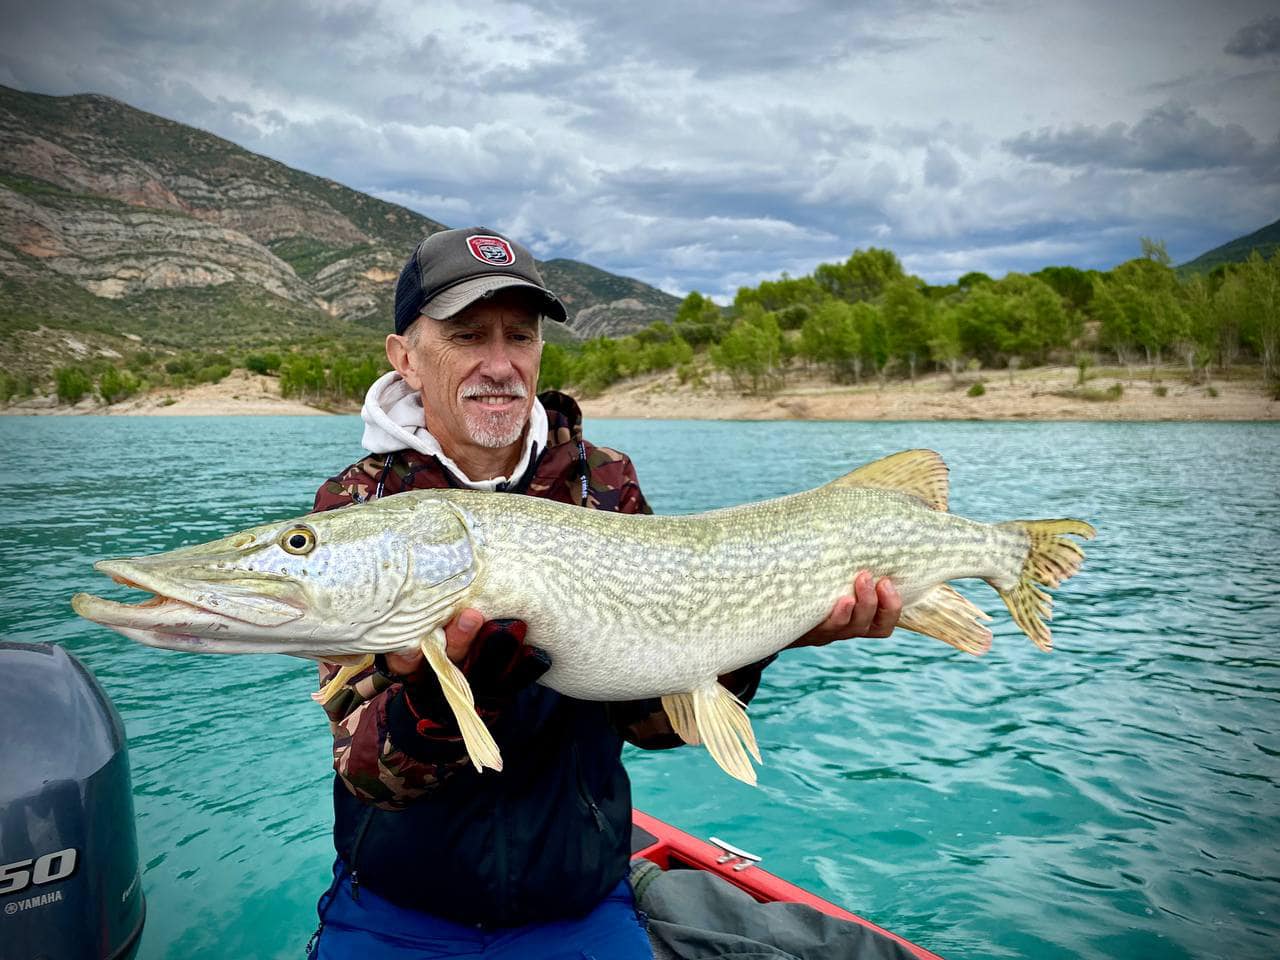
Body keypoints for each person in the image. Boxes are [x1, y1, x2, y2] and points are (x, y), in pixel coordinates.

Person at [305, 226, 902, 959]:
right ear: (406, 357)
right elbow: (366, 775)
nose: (499, 365)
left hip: (577, 903)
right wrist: (437, 705)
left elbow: (651, 722)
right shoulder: (357, 507)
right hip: (398, 906)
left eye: (519, 337)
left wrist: (765, 633)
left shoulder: (604, 482)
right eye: (466, 336)